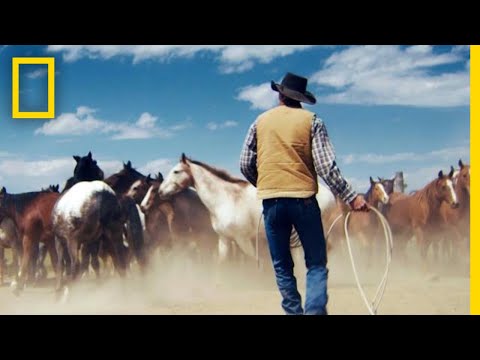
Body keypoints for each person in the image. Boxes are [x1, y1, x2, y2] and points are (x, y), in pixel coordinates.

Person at [240, 72, 368, 315]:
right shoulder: (312, 121)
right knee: (316, 263)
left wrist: (266, 184)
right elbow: (325, 167)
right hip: (303, 202)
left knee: (282, 265)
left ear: (280, 95)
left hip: (272, 204)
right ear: (300, 99)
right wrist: (352, 197)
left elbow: (245, 163)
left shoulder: (260, 122)